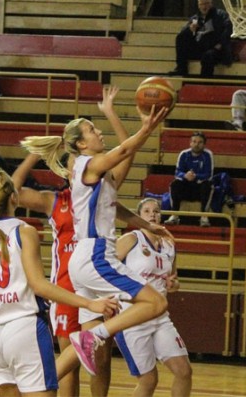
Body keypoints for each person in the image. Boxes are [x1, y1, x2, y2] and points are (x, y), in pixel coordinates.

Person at [22, 97, 170, 377]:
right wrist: (147, 129)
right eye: (92, 130)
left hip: (84, 260)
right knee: (156, 303)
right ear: (81, 143)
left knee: (79, 354)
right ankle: (93, 335)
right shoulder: (87, 165)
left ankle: (35, 389)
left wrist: (145, 225)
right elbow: (125, 148)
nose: (99, 132)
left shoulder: (94, 172)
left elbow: (114, 202)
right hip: (96, 255)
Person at [0, 168, 117, 396]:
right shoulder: (23, 231)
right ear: (13, 198)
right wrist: (89, 303)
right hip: (23, 328)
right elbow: (39, 285)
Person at [115, 198, 192, 397]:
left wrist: (174, 285)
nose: (152, 214)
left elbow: (173, 280)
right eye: (147, 211)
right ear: (138, 216)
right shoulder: (131, 239)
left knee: (184, 371)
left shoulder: (169, 244)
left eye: (156, 211)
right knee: (149, 380)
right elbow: (104, 269)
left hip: (159, 316)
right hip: (132, 317)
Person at [168, 0, 233, 78]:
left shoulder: (220, 14)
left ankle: (204, 82)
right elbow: (183, 33)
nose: (204, 7)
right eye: (201, 4)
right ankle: (181, 68)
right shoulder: (195, 18)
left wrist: (221, 43)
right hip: (200, 47)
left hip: (215, 48)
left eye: (206, 4)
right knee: (181, 37)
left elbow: (228, 29)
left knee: (208, 56)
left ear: (211, 4)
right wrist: (189, 29)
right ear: (198, 6)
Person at [164, 131, 214, 227]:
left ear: (204, 144)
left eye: (200, 142)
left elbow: (209, 175)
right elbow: (177, 172)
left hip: (199, 187)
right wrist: (185, 175)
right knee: (175, 184)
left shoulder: (208, 155)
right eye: (194, 141)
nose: (196, 144)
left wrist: (195, 176)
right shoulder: (184, 154)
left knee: (208, 186)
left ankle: (204, 217)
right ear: (190, 143)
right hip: (186, 186)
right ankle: (174, 215)